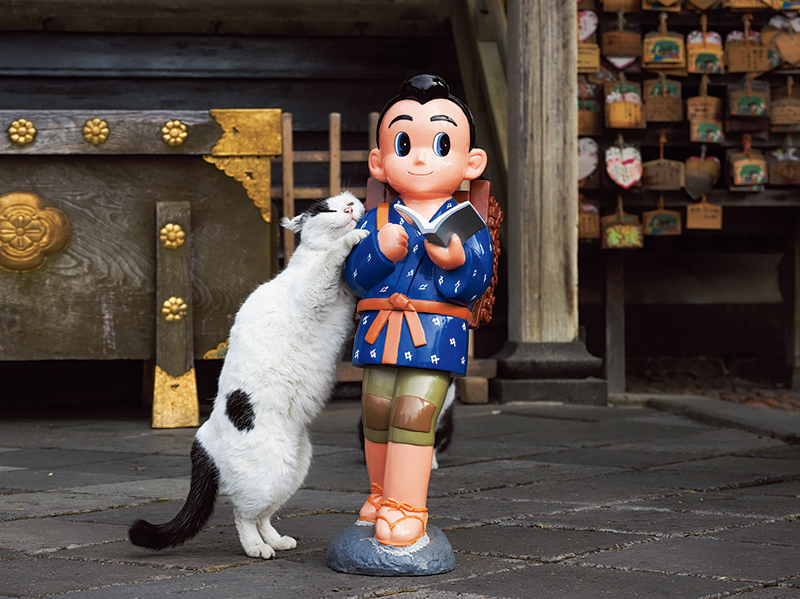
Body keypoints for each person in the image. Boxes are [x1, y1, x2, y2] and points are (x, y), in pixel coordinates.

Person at [345, 74, 494, 547]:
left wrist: (456, 261)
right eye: (404, 143)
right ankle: (379, 493)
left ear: (471, 162)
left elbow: (479, 279)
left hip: (434, 331)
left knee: (414, 410)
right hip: (380, 329)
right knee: (376, 409)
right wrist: (378, 253)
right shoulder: (377, 218)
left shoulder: (468, 222)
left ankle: (406, 506)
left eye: (442, 143)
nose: (422, 157)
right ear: (380, 162)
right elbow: (353, 276)